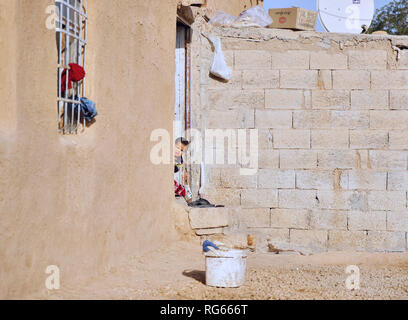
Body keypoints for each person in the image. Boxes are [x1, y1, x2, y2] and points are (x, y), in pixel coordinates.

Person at [174, 137, 193, 204]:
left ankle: (191, 203)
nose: (178, 151)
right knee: (181, 188)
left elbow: (177, 169)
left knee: (185, 189)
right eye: (177, 148)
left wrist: (174, 164)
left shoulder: (179, 159)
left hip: (171, 180)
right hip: (166, 181)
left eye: (182, 150)